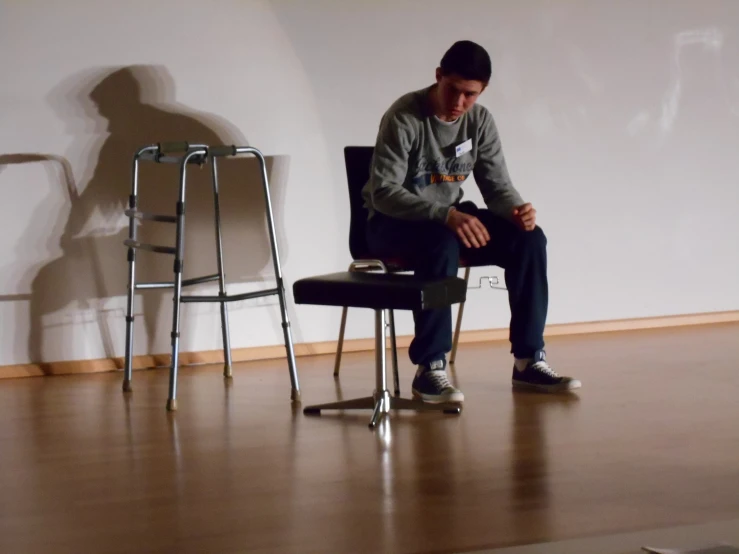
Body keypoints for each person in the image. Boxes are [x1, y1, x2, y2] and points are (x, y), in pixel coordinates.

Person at [362, 40, 582, 403]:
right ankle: (431, 368)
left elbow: (497, 188)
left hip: (448, 219)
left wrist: (515, 210)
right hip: (391, 223)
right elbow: (384, 192)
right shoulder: (404, 116)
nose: (458, 103)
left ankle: (529, 360)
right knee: (439, 242)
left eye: (470, 95)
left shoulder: (479, 122)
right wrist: (444, 214)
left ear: (482, 91)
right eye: (453, 90)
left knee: (530, 239)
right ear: (438, 76)